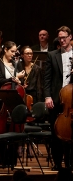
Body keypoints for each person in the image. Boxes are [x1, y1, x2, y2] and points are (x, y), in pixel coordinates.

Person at [44, 26, 73, 171]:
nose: (62, 40)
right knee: (55, 132)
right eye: (60, 38)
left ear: (70, 37)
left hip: (71, 101)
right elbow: (47, 79)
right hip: (56, 99)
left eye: (64, 37)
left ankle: (70, 162)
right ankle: (57, 162)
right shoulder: (52, 55)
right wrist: (48, 96)